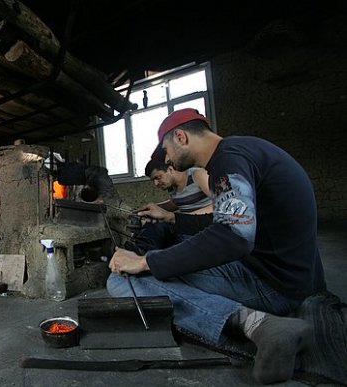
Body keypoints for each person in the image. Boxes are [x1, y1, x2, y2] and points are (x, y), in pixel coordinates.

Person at [107, 108, 326, 384]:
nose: (167, 159)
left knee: (122, 281)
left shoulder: (228, 160)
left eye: (166, 150)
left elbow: (233, 235)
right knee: (165, 259)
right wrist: (173, 220)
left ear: (181, 137)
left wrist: (144, 261)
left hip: (274, 284)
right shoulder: (243, 150)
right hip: (289, 273)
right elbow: (222, 221)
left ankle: (261, 325)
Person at [129, 144, 213, 253]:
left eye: (157, 177)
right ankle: (140, 251)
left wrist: (183, 217)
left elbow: (222, 204)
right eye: (152, 180)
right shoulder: (171, 186)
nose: (155, 183)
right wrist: (153, 208)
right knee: (155, 223)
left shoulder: (197, 174)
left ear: (170, 169)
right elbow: (176, 203)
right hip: (183, 224)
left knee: (181, 243)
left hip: (202, 224)